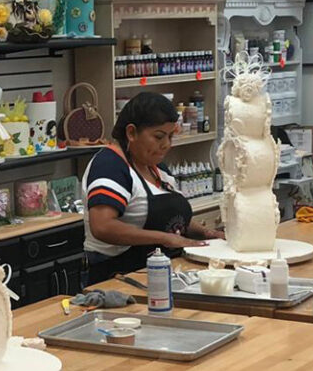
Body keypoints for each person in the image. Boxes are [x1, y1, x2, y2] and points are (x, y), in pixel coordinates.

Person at [83, 92, 223, 284]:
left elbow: (170, 217)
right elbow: (102, 226)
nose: (166, 145)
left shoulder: (155, 167)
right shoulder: (110, 166)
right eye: (159, 137)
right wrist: (164, 239)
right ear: (131, 133)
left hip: (159, 271)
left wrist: (205, 234)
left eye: (170, 136)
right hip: (118, 276)